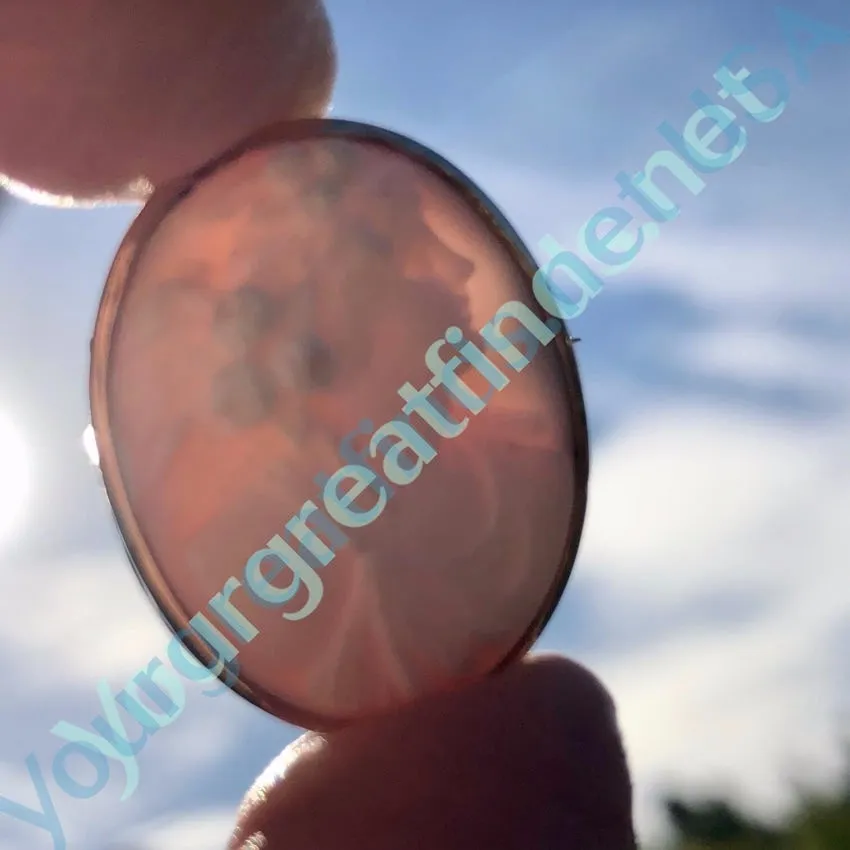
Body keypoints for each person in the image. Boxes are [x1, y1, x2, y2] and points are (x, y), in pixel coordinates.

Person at [0, 2, 637, 847]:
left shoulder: (491, 490)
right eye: (410, 266)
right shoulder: (281, 559)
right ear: (315, 339)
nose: (453, 278)